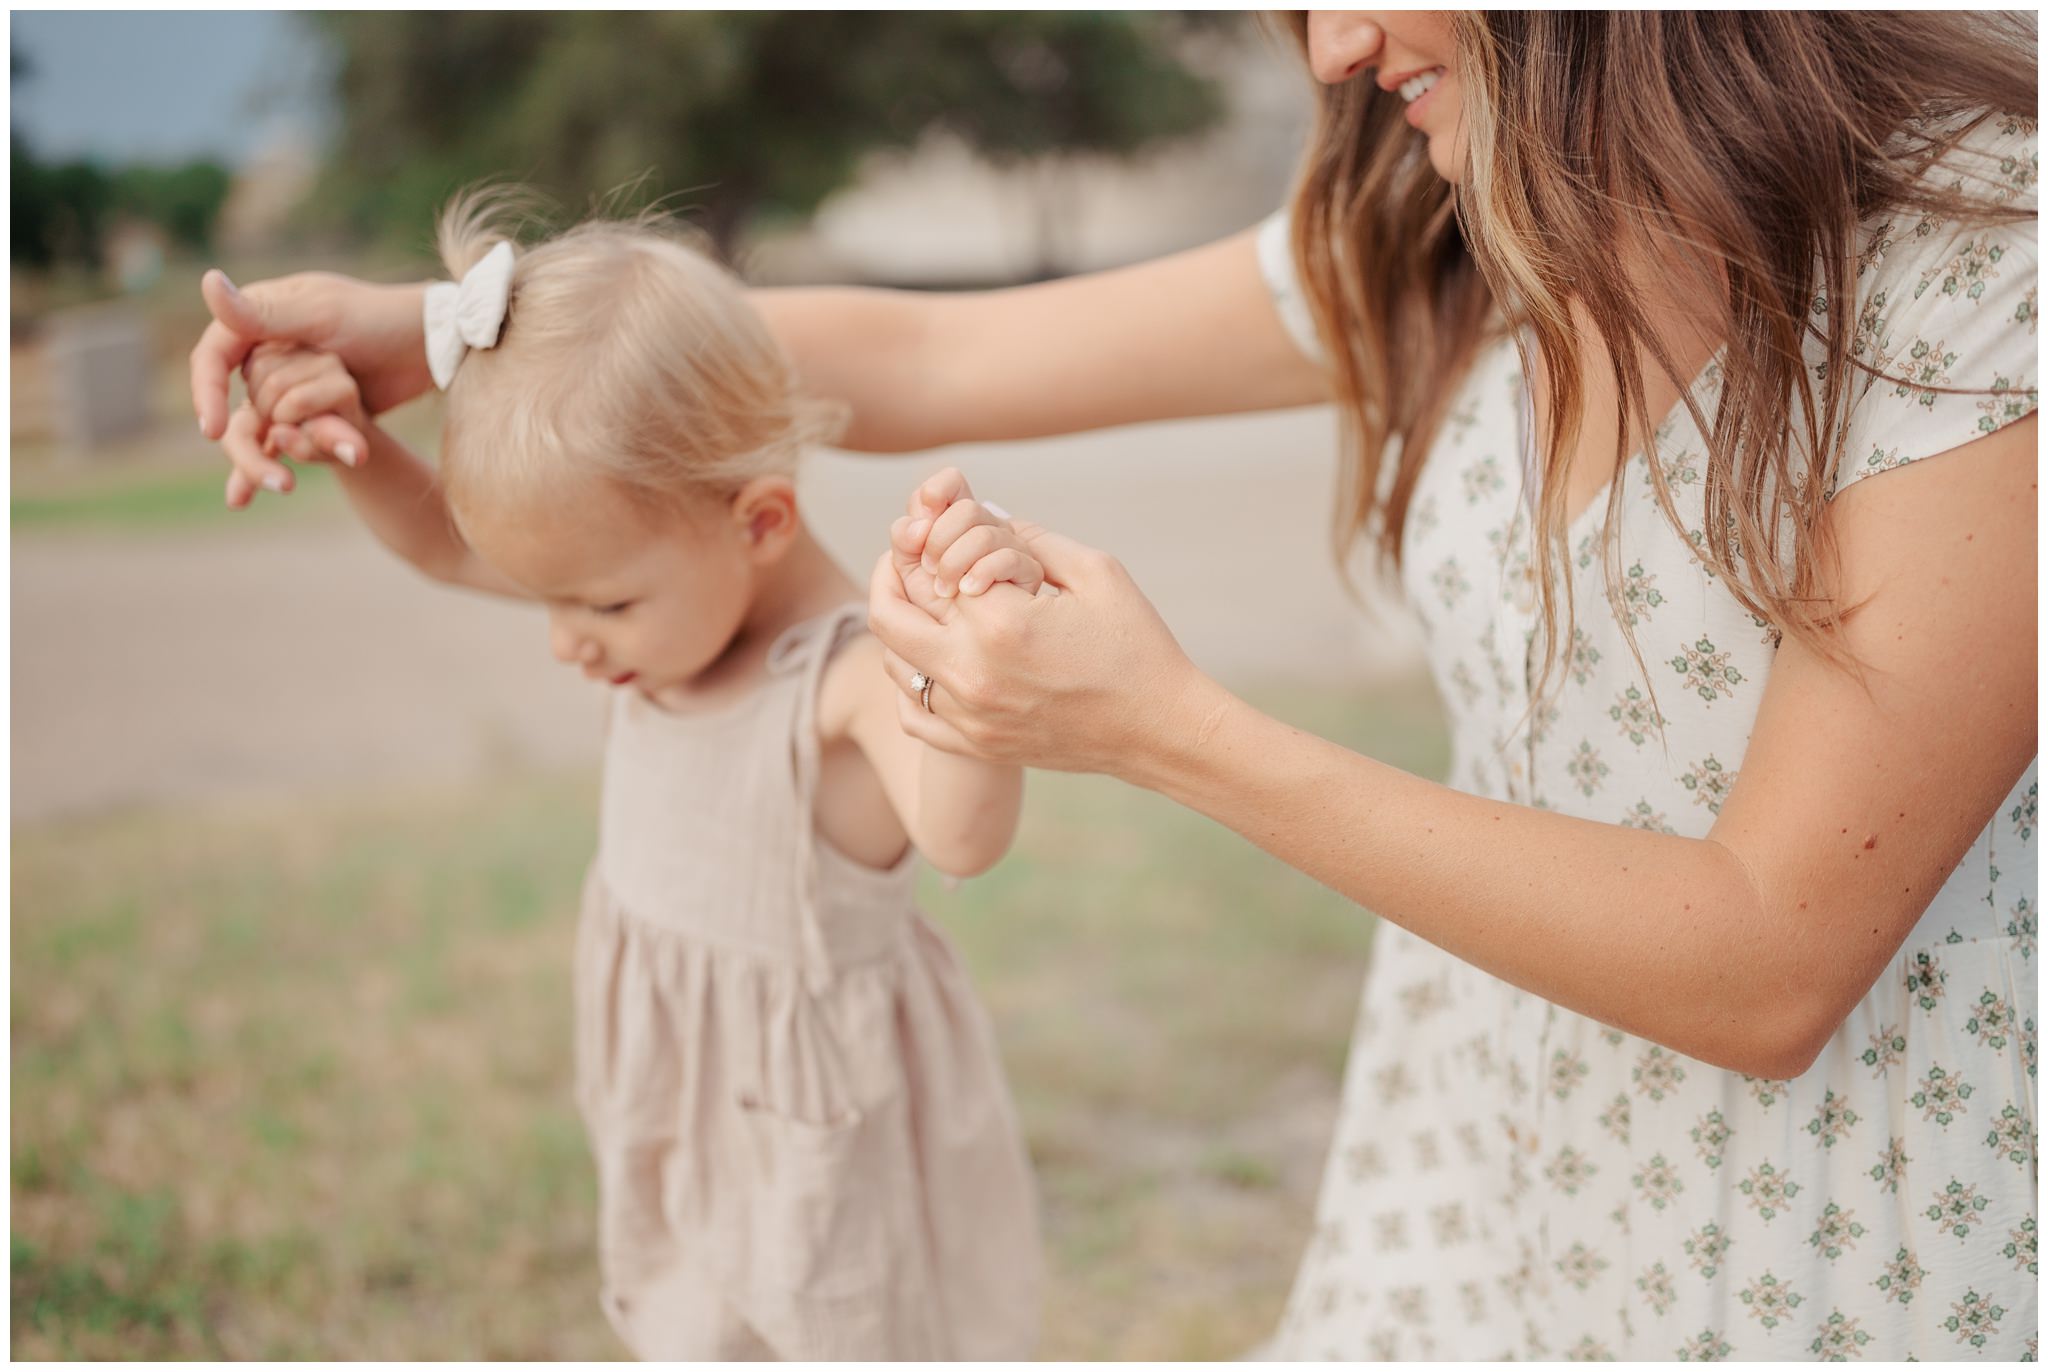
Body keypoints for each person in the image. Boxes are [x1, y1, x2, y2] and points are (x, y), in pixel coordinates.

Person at [192, 12, 2037, 1360]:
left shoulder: (1981, 271)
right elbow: (919, 348)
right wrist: (454, 329)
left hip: (1856, 1248)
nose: (1325, 49)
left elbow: (1771, 956)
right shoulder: (1459, 231)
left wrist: (1167, 727)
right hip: (1484, 1189)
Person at [220, 191, 1047, 1359]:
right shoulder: (655, 594)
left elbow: (962, 837)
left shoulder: (854, 676)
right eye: (551, 596)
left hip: (818, 1141)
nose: (565, 639)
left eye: (599, 603)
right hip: (678, 1115)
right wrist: (349, 434)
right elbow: (443, 545)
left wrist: (955, 664)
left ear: (758, 519)